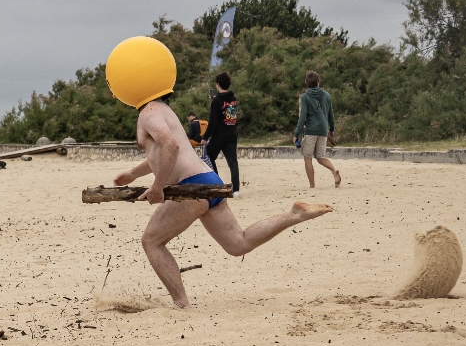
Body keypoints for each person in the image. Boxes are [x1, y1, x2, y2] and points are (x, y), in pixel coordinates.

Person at [105, 37, 332, 308]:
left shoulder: (148, 113)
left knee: (151, 241)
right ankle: (294, 213)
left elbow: (171, 146)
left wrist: (157, 187)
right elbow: (164, 153)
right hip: (208, 179)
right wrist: (133, 174)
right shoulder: (163, 109)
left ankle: (180, 303)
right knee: (238, 244)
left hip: (192, 187)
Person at [294, 70, 342, 188]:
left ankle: (312, 185)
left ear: (307, 83)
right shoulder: (327, 95)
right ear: (318, 82)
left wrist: (296, 134)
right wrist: (331, 129)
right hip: (323, 130)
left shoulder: (305, 97)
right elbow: (331, 114)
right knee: (320, 157)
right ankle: (334, 170)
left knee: (307, 158)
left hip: (311, 130)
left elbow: (302, 117)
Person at [204, 72, 241, 195]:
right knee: (232, 162)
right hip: (232, 133)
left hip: (219, 135)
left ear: (218, 84)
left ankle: (218, 184)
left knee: (209, 156)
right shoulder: (233, 99)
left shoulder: (216, 102)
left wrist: (205, 137)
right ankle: (236, 190)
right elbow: (227, 111)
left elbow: (213, 121)